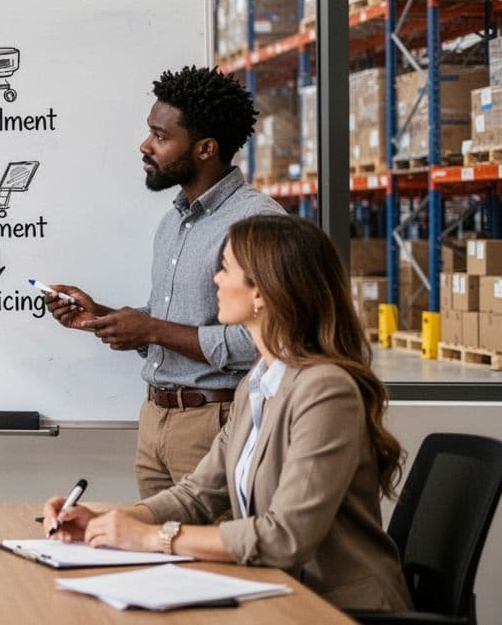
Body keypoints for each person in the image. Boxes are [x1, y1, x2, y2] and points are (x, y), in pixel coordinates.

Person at [43, 215, 412, 611]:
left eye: (226, 268)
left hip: (338, 609)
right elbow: (198, 494)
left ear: (262, 294)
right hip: (282, 594)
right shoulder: (261, 380)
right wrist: (104, 519)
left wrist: (151, 538)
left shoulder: (325, 390)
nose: (216, 280)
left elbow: (285, 537)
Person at [44, 66, 284, 498]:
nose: (145, 145)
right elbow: (168, 323)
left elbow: (269, 339)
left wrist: (153, 330)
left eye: (160, 136)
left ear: (206, 148)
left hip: (216, 423)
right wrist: (104, 316)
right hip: (155, 421)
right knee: (158, 555)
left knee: (212, 558)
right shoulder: (174, 221)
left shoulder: (256, 222)